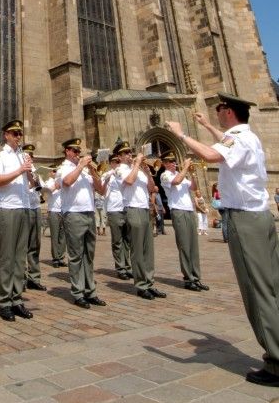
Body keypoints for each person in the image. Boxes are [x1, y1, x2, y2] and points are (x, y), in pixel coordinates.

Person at [166, 93, 279, 387]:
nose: (215, 112)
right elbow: (226, 144)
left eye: (218, 109)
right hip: (261, 217)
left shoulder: (237, 140)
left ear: (229, 112)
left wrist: (181, 135)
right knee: (272, 285)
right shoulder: (247, 137)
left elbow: (213, 155)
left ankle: (277, 361)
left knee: (257, 289)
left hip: (245, 221)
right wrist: (206, 126)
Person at [0, 119, 34, 322]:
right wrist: (20, 170)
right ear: (6, 135)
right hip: (8, 208)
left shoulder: (21, 156)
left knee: (20, 257)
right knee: (7, 256)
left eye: (19, 134)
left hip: (23, 207)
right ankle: (4, 300)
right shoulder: (0, 155)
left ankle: (17, 298)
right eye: (14, 133)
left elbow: (29, 184)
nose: (18, 137)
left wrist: (31, 174)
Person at [114, 143, 166, 300]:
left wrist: (148, 172)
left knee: (148, 249)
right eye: (126, 153)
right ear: (119, 157)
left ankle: (150, 282)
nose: (129, 155)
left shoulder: (140, 170)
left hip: (144, 209)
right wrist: (136, 164)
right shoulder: (120, 169)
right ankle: (141, 285)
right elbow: (129, 181)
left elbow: (152, 188)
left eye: (130, 152)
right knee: (137, 249)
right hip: (133, 209)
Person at [60, 138, 106, 308]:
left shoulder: (86, 172)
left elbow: (101, 190)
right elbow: (67, 182)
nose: (78, 154)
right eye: (75, 151)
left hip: (89, 213)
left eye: (79, 152)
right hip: (73, 214)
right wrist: (80, 166)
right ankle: (78, 292)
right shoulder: (63, 168)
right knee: (76, 255)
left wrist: (93, 172)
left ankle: (90, 290)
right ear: (67, 151)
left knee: (89, 255)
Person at [160, 153, 208, 291]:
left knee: (193, 245)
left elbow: (193, 188)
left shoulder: (181, 174)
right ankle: (188, 278)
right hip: (178, 211)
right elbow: (176, 181)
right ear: (165, 163)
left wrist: (192, 174)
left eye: (174, 161)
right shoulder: (165, 175)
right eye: (170, 161)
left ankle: (196, 277)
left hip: (188, 210)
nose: (174, 163)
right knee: (184, 245)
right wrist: (185, 167)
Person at [100, 153, 132, 280]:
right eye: (114, 161)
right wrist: (108, 177)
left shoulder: (124, 172)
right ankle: (120, 268)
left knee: (127, 240)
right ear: (110, 163)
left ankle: (128, 266)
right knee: (117, 241)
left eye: (119, 161)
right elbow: (102, 191)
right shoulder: (107, 175)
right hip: (114, 209)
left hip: (126, 208)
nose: (117, 163)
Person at [24, 143, 47, 291]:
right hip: (24, 207)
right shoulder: (21, 170)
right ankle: (20, 277)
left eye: (32, 156)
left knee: (35, 244)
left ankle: (34, 277)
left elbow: (42, 188)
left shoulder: (35, 170)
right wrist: (30, 182)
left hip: (35, 207)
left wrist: (37, 179)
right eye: (28, 155)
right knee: (22, 244)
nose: (31, 158)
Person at [44, 167, 66, 267]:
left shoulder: (62, 180)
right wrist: (56, 186)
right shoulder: (48, 182)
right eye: (53, 171)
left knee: (63, 236)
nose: (55, 172)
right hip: (53, 211)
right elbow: (47, 192)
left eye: (56, 171)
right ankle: (55, 258)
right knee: (55, 236)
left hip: (64, 211)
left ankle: (61, 257)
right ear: (50, 173)